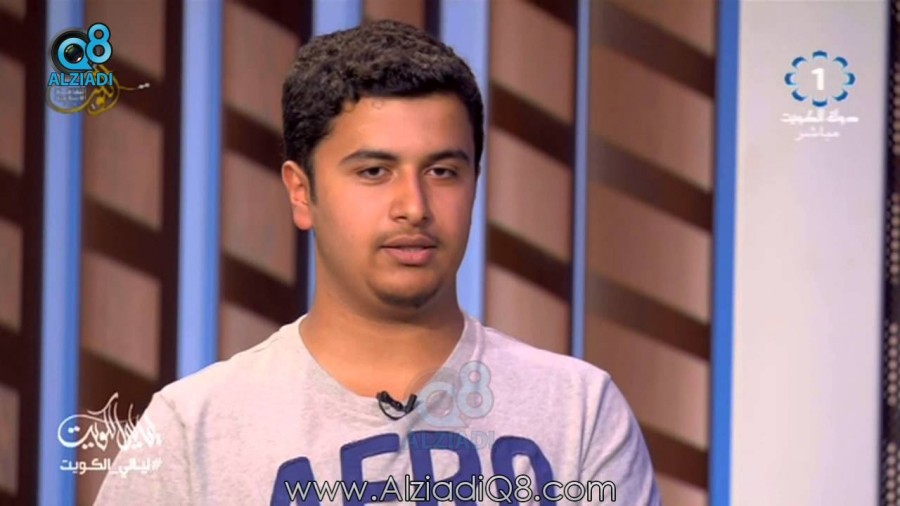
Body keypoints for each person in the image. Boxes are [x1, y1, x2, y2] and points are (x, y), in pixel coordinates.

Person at [95, 20, 660, 505]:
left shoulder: (577, 412)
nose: (414, 206)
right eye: (374, 172)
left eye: (443, 171)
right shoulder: (195, 429)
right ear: (301, 192)